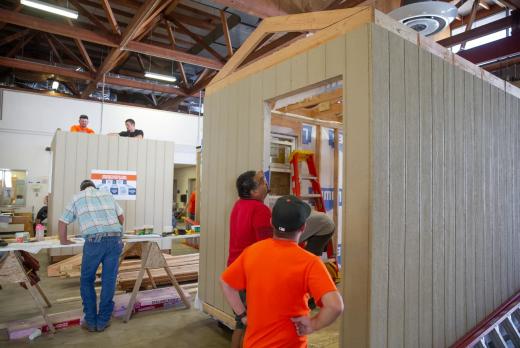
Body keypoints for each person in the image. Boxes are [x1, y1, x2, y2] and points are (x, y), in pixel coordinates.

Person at [221, 195, 344, 348]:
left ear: (271, 222)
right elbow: (335, 306)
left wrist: (243, 316)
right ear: (303, 227)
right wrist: (313, 324)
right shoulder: (310, 262)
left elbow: (226, 284)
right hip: (292, 343)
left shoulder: (252, 252)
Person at [58, 179, 124, 332]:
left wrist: (64, 241)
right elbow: (121, 218)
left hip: (94, 242)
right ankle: (103, 321)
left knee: (87, 280)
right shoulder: (107, 194)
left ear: (82, 189)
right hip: (115, 240)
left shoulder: (78, 197)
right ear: (95, 187)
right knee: (109, 280)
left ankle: (90, 320)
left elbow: (63, 221)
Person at [227, 170, 272, 347]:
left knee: (241, 322)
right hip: (249, 276)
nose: (266, 183)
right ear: (253, 192)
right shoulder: (260, 209)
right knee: (252, 326)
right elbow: (267, 245)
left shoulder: (238, 205)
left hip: (235, 272)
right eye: (261, 182)